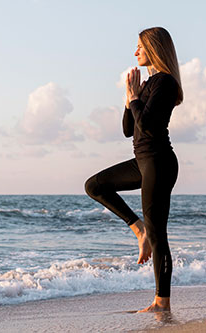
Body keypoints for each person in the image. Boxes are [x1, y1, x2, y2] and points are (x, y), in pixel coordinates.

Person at [84, 27, 183, 312]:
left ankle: (161, 303)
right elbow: (129, 129)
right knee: (95, 185)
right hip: (142, 161)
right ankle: (136, 227)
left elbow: (149, 127)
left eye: (139, 46)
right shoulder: (150, 84)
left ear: (153, 48)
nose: (135, 51)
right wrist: (130, 98)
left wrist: (135, 98)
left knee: (158, 234)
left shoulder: (165, 83)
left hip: (158, 162)